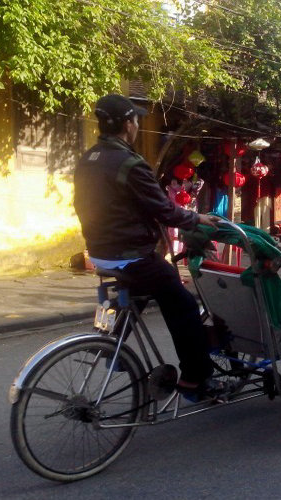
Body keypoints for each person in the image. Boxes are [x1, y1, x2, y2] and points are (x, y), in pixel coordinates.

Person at [73, 93, 222, 399]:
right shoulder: (129, 163)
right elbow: (164, 210)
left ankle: (111, 344)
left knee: (140, 289)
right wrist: (198, 219)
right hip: (129, 254)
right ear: (128, 124)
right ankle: (196, 378)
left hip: (101, 251)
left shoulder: (88, 158)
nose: (138, 124)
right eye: (136, 119)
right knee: (182, 303)